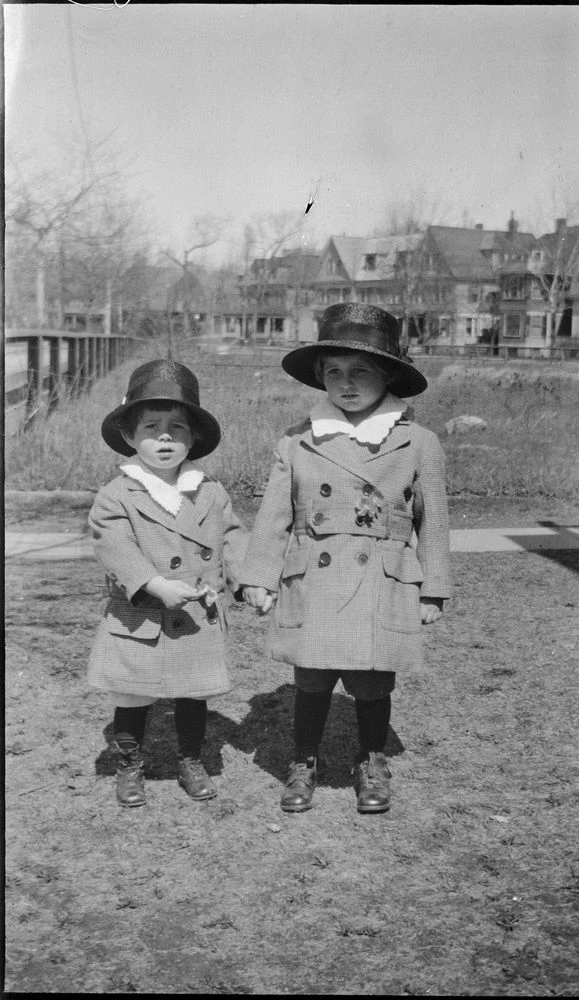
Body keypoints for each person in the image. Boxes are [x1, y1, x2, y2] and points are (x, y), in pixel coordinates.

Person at [241, 303, 451, 815]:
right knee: (312, 676)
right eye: (333, 371)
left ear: (388, 375)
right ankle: (303, 760)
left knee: (373, 680)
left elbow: (435, 521)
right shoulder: (297, 441)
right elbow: (275, 515)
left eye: (361, 371)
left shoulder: (417, 441)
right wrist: (259, 577)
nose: (346, 383)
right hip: (314, 575)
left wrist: (434, 587)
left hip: (383, 578)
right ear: (320, 378)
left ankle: (371, 760)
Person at [87, 359, 248, 808]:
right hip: (139, 615)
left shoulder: (210, 491)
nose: (164, 437)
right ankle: (129, 764)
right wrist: (155, 584)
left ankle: (190, 759)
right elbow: (113, 545)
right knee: (133, 695)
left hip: (196, 613)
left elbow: (232, 537)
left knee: (193, 692)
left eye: (177, 427)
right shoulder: (116, 493)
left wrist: (250, 581)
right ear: (128, 436)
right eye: (151, 426)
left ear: (193, 438)